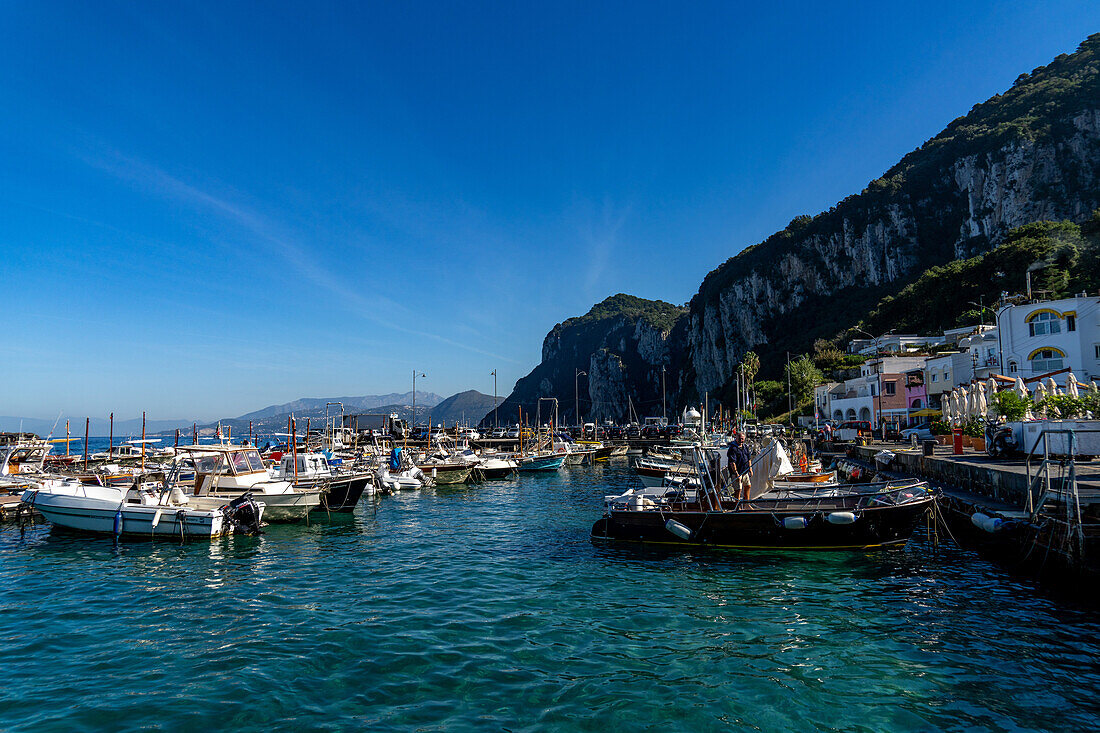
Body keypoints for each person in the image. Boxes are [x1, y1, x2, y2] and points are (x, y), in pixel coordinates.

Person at [726, 433, 753, 503]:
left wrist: (750, 469)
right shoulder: (733, 448)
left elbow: (749, 458)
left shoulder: (745, 447)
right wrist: (736, 474)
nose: (741, 440)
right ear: (736, 438)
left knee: (748, 486)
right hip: (737, 473)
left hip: (745, 471)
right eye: (740, 438)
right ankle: (737, 506)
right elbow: (732, 462)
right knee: (738, 490)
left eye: (742, 439)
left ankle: (746, 504)